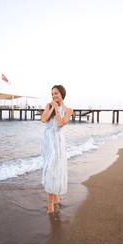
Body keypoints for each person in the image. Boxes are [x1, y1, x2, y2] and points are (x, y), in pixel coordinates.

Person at [41, 85, 73, 213]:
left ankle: (51, 204)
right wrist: (52, 108)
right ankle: (55, 198)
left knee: (53, 169)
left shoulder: (68, 110)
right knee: (49, 167)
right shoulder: (49, 106)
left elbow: (60, 124)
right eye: (52, 93)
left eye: (56, 93)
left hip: (57, 142)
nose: (54, 96)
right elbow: (44, 119)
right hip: (47, 141)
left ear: (62, 94)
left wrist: (57, 108)